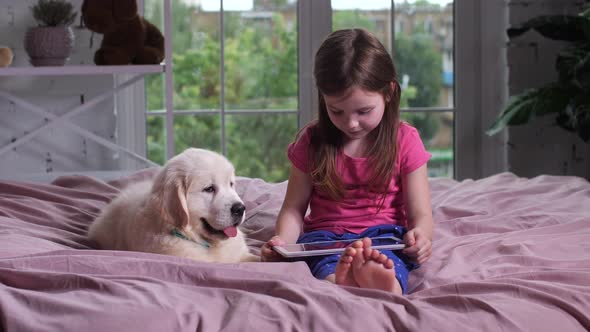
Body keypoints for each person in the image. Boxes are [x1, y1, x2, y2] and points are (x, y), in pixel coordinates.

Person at [260, 28, 433, 295]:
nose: (351, 123)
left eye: (364, 111)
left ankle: (382, 284)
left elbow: (420, 212)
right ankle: (341, 281)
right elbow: (294, 209)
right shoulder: (312, 140)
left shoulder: (406, 140)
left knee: (392, 265)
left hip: (384, 239)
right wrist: (282, 242)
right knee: (324, 268)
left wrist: (421, 236)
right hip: (325, 240)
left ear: (388, 93)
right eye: (336, 111)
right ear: (323, 98)